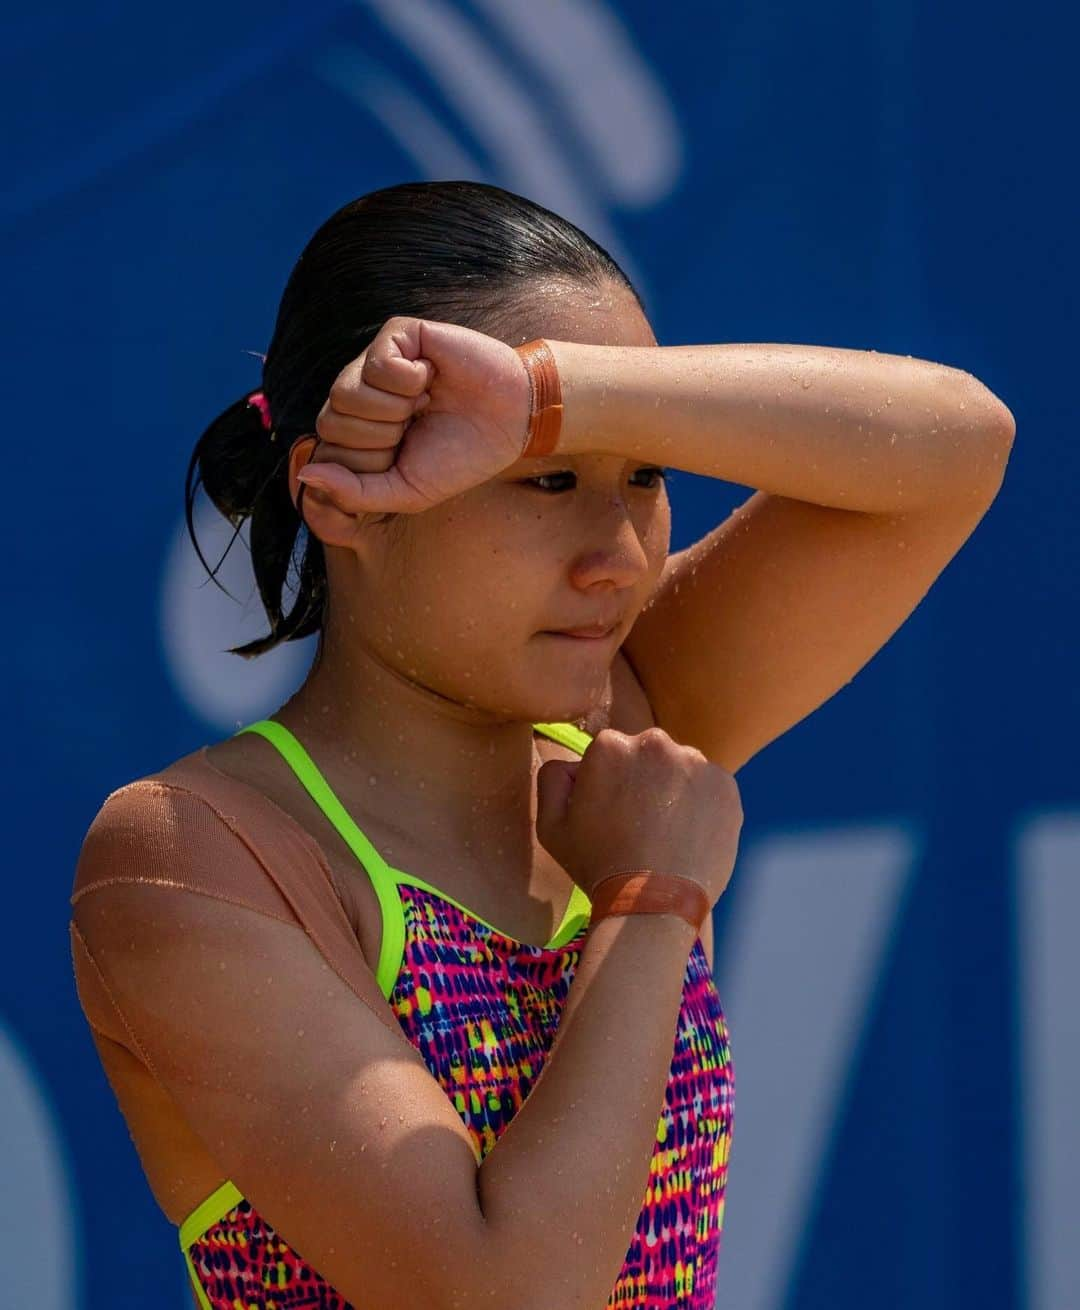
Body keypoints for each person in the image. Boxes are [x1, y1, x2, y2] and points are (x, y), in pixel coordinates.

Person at [70, 178, 1013, 1310]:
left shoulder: (623, 715)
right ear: (354, 500)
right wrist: (650, 900)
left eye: (646, 472)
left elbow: (957, 447)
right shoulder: (192, 854)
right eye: (548, 479)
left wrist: (556, 397)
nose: (617, 552)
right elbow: (500, 1292)